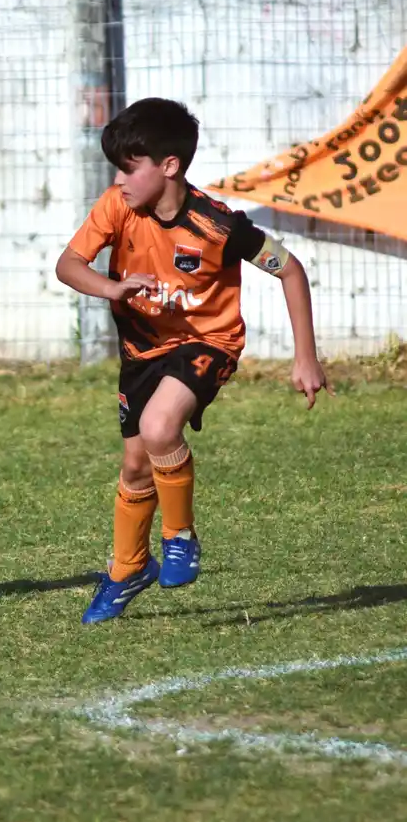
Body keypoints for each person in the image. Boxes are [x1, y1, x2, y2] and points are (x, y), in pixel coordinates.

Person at [55, 97, 330, 623]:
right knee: (136, 468)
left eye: (129, 168)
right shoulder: (117, 207)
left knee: (160, 427)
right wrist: (113, 287)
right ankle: (128, 569)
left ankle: (180, 536)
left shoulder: (219, 226)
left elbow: (290, 270)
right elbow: (69, 264)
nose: (120, 180)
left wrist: (306, 357)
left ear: (169, 166)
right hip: (142, 351)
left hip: (208, 343)